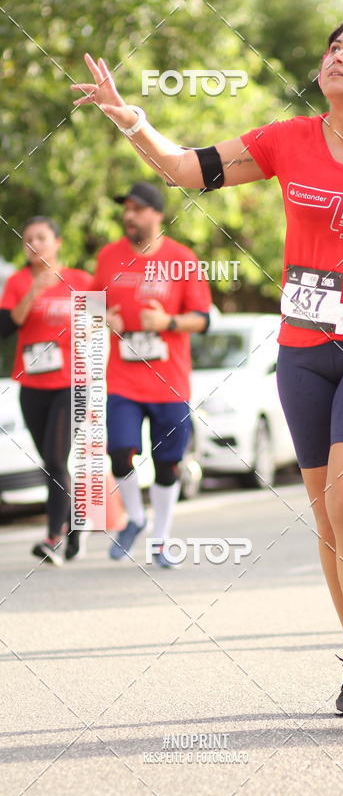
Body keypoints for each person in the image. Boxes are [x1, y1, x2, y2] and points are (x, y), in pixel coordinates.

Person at [72, 13, 343, 727]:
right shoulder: (289, 139)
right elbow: (188, 169)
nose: (338, 56)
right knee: (328, 519)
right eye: (334, 46)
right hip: (303, 351)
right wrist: (134, 125)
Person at [90, 182, 211, 567]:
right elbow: (92, 305)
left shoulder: (182, 258)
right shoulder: (109, 257)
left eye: (138, 209)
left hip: (170, 383)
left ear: (157, 214)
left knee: (168, 464)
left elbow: (203, 320)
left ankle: (161, 539)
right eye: (126, 208)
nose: (129, 215)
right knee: (120, 452)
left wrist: (166, 321)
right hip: (124, 381)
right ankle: (135, 520)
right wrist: (101, 316)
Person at [0, 216, 93, 564]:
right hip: (32, 384)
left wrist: (94, 327)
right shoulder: (18, 282)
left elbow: (107, 320)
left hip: (71, 383)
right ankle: (75, 524)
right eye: (27, 239)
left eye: (41, 237)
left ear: (57, 242)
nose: (34, 245)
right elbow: (7, 326)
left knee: (55, 458)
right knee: (51, 461)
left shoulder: (81, 281)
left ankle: (53, 536)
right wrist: (34, 291)